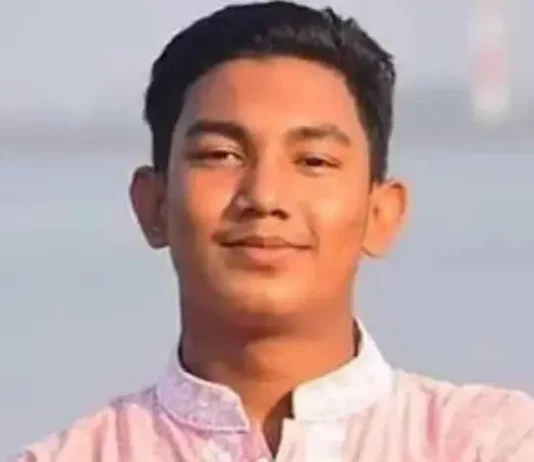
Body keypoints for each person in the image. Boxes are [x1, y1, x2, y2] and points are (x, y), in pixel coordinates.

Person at [11, 1, 534, 461]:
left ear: (381, 213)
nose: (264, 197)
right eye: (221, 155)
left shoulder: (494, 443)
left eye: (313, 160)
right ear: (154, 206)